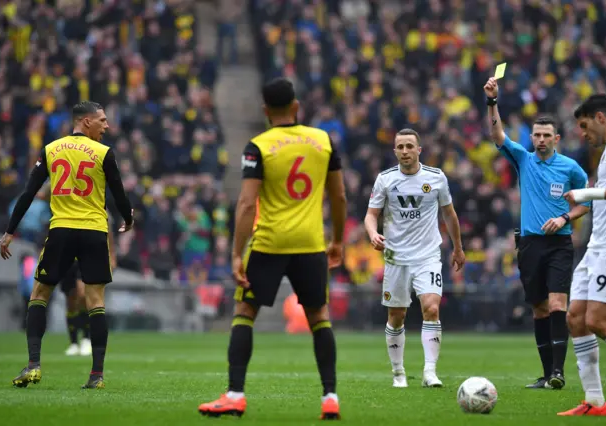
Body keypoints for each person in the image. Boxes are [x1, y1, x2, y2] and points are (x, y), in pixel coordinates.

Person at [197, 77, 347, 420]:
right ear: (296, 106)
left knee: (244, 314)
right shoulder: (323, 141)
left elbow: (247, 204)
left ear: (265, 111)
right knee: (319, 318)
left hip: (269, 242)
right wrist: (337, 240)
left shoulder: (258, 146)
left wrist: (236, 254)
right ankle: (330, 397)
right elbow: (338, 196)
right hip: (311, 244)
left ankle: (235, 394)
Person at [0, 101, 134, 389]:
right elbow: (119, 194)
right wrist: (128, 218)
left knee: (39, 293)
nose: (106, 126)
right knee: (95, 301)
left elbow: (29, 192)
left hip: (61, 231)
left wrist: (10, 231)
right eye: (102, 120)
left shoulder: (51, 150)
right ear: (86, 122)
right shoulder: (103, 153)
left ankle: (33, 365)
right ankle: (96, 375)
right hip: (94, 232)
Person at [484, 77, 591, 390]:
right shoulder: (523, 159)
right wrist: (492, 101)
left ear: (556, 138)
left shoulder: (571, 168)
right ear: (531, 138)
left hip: (559, 244)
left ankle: (558, 373)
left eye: (547, 135)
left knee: (559, 303)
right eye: (537, 135)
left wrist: (564, 217)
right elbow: (496, 134)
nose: (541, 140)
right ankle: (547, 375)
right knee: (540, 308)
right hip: (529, 244)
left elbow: (586, 204)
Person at [364, 128, 465, 388]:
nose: (405, 151)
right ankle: (398, 372)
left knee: (431, 308)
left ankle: (430, 372)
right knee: (396, 316)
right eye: (401, 147)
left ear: (419, 150)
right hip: (396, 257)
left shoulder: (436, 178)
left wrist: (458, 248)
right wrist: (373, 233)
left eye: (410, 146)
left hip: (428, 255)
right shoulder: (385, 180)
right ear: (395, 150)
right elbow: (371, 214)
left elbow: (450, 214)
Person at [557, 94, 606, 416]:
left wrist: (589, 191)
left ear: (600, 117)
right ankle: (595, 402)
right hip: (596, 247)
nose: (583, 134)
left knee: (598, 322)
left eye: (585, 126)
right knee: (575, 318)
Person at [35, 186, 117, 357]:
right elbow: (41, 195)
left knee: (83, 294)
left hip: (86, 253)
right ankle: (73, 341)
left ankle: (86, 338)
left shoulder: (93, 201)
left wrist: (112, 255)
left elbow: (107, 228)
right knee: (70, 299)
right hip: (65, 255)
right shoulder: (60, 201)